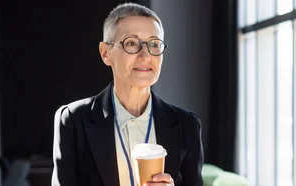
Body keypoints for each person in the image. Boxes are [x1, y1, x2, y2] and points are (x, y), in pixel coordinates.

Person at [51, 3, 203, 186]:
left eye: (154, 44)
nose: (145, 56)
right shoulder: (73, 120)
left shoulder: (186, 125)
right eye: (131, 43)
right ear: (105, 53)